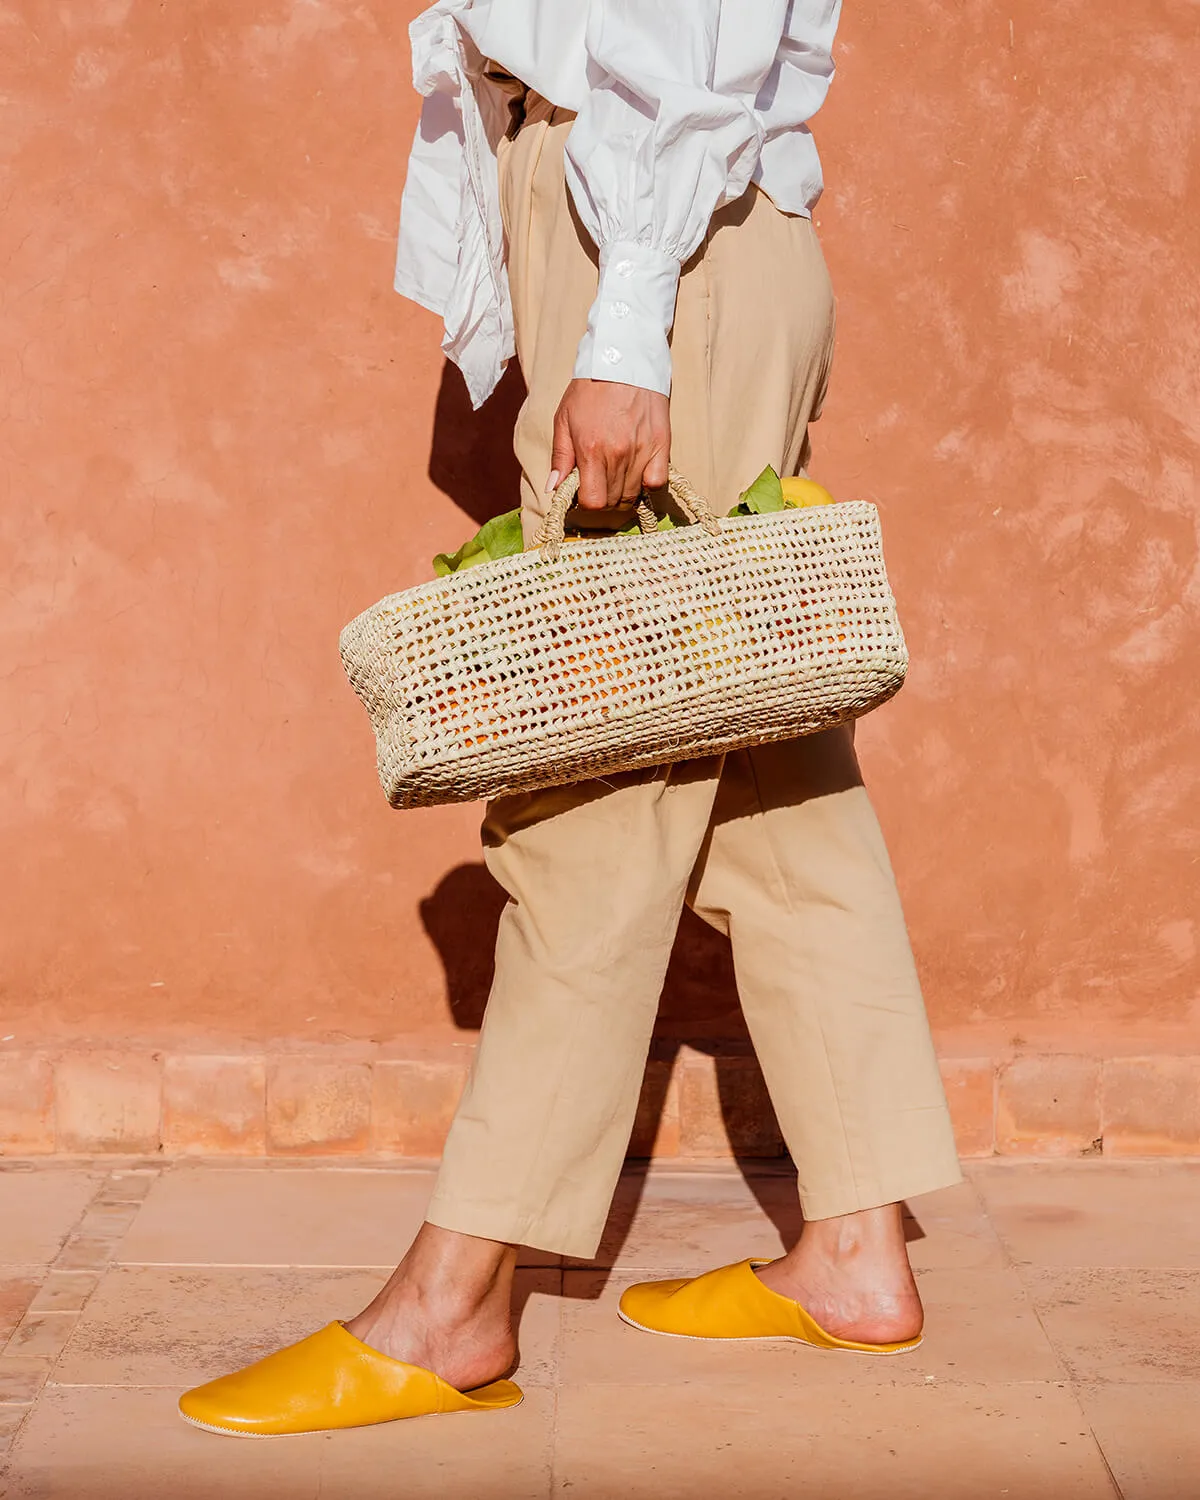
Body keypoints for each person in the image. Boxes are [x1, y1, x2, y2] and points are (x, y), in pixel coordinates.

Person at [179, 0, 964, 1438]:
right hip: (680, 244)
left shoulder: (643, 268)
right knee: (775, 790)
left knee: (595, 793)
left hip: (659, 254)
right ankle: (855, 1251)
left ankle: (457, 1298)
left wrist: (625, 331)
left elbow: (682, 38)